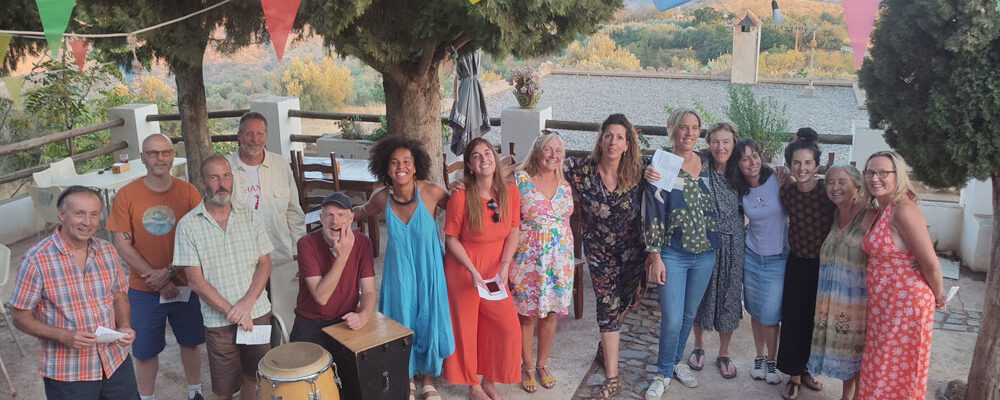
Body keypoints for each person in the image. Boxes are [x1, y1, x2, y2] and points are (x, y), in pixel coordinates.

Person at [10, 186, 139, 399]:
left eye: (94, 214)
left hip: (114, 362)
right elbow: (19, 317)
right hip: (69, 373)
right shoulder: (36, 260)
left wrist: (124, 326)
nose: (87, 222)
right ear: (61, 214)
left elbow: (119, 296)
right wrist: (64, 336)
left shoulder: (107, 250)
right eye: (79, 213)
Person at [353, 137, 453, 400]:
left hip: (429, 271)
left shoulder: (432, 192)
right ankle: (406, 378)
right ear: (386, 169)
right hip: (399, 275)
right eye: (395, 162)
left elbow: (461, 208)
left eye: (407, 161)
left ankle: (428, 379)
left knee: (429, 320)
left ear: (415, 166)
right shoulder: (381, 198)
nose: (401, 167)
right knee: (400, 322)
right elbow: (360, 211)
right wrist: (336, 214)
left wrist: (470, 188)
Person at [107, 134, 205, 400]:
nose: (159, 158)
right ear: (142, 158)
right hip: (144, 288)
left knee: (191, 342)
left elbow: (199, 238)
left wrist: (170, 272)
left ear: (173, 156)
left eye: (165, 152)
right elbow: (122, 244)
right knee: (145, 350)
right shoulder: (127, 195)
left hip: (186, 283)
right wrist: (157, 278)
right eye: (152, 153)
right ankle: (147, 397)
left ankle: (195, 391)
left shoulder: (188, 193)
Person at [173, 156, 274, 400]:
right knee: (223, 389)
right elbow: (195, 281)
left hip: (256, 313)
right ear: (202, 182)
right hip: (218, 322)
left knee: (255, 377)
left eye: (226, 176)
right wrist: (234, 312)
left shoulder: (249, 215)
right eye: (214, 177)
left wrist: (246, 305)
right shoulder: (188, 225)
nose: (222, 183)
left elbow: (265, 264)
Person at [563, 114, 649, 400]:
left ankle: (605, 346)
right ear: (600, 140)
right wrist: (481, 179)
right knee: (607, 306)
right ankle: (613, 378)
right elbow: (542, 162)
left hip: (632, 253)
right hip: (600, 253)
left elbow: (682, 168)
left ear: (627, 145)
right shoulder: (581, 170)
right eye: (608, 135)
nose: (613, 142)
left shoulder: (640, 170)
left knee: (623, 302)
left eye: (619, 137)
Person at [644, 108, 721, 399]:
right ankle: (662, 373)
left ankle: (675, 363)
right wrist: (655, 257)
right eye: (683, 127)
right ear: (673, 130)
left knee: (689, 315)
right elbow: (653, 211)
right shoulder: (662, 164)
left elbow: (740, 161)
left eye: (694, 127)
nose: (689, 133)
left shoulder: (709, 162)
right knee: (673, 319)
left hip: (706, 253)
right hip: (673, 253)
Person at [858, 151, 943, 400]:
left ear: (898, 175)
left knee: (896, 372)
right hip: (886, 305)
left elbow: (931, 263)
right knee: (882, 368)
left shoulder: (904, 209)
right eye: (870, 172)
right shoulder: (882, 208)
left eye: (883, 172)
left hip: (905, 306)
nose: (875, 178)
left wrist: (938, 296)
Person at [442, 137, 522, 400]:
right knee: (466, 329)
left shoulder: (510, 192)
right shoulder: (461, 196)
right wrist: (472, 271)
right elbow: (451, 239)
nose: (483, 159)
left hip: (496, 269)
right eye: (476, 156)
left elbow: (514, 230)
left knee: (507, 328)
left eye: (487, 153)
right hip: (464, 269)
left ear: (495, 158)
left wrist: (506, 266)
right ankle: (473, 386)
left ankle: (489, 380)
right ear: (470, 165)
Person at [509, 132, 574, 393]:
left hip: (559, 261)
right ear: (537, 152)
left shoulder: (565, 184)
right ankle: (527, 366)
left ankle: (542, 363)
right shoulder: (520, 180)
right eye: (548, 149)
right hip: (527, 260)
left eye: (558, 151)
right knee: (526, 316)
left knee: (551, 314)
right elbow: (489, 184)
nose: (553, 155)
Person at [777, 128, 835, 400]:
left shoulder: (828, 193)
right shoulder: (787, 192)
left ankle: (808, 369)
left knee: (817, 322)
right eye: (797, 163)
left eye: (808, 163)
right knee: (794, 321)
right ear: (790, 165)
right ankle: (794, 376)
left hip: (824, 267)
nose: (802, 168)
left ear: (817, 166)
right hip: (797, 264)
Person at [685, 122, 745, 380]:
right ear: (709, 143)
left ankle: (724, 352)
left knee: (730, 295)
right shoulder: (701, 164)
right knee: (702, 292)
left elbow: (764, 176)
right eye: (716, 142)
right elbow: (673, 162)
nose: (721, 147)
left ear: (734, 144)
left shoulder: (741, 170)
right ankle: (699, 346)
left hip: (734, 241)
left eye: (726, 142)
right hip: (705, 239)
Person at [728, 138, 787, 386]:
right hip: (752, 256)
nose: (752, 162)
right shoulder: (739, 188)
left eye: (755, 156)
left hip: (778, 258)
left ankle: (772, 360)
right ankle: (759, 357)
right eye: (745, 158)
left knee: (771, 314)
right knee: (755, 310)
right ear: (738, 164)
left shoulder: (777, 178)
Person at [807, 164, 869, 400]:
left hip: (858, 300)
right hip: (833, 298)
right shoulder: (836, 213)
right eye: (831, 182)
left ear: (856, 185)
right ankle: (846, 396)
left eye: (842, 182)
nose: (835, 187)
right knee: (846, 352)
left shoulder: (869, 215)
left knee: (859, 353)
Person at [291, 192, 376, 350]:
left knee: (373, 357)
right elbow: (321, 297)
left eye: (341, 215)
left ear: (351, 218)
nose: (335, 221)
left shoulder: (363, 243)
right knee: (314, 364)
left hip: (346, 319)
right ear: (321, 219)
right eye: (329, 215)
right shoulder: (306, 244)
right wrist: (343, 256)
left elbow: (369, 291)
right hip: (312, 322)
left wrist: (363, 316)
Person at [227, 111, 305, 265]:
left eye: (260, 134)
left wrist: (298, 250)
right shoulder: (225, 169)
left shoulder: (281, 165)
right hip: (240, 258)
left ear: (266, 136)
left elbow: (294, 212)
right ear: (239, 136)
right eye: (249, 134)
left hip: (279, 255)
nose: (255, 139)